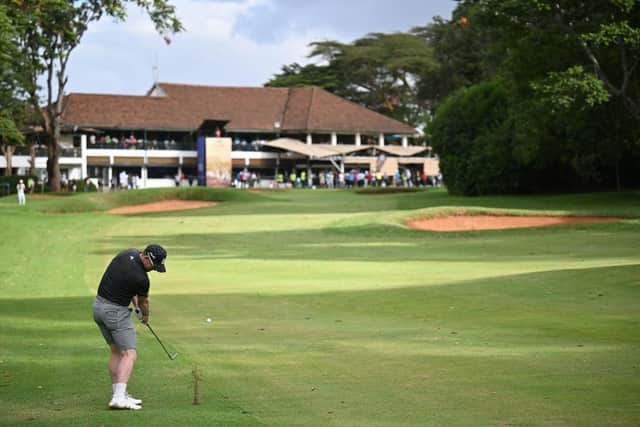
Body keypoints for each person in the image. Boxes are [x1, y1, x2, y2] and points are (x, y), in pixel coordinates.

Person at [92, 244, 168, 410]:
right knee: (129, 354)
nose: (153, 270)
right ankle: (119, 397)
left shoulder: (128, 253)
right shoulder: (142, 279)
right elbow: (143, 301)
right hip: (115, 313)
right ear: (147, 257)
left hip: (98, 308)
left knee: (116, 352)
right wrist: (145, 315)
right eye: (153, 266)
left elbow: (128, 288)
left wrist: (136, 307)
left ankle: (118, 394)